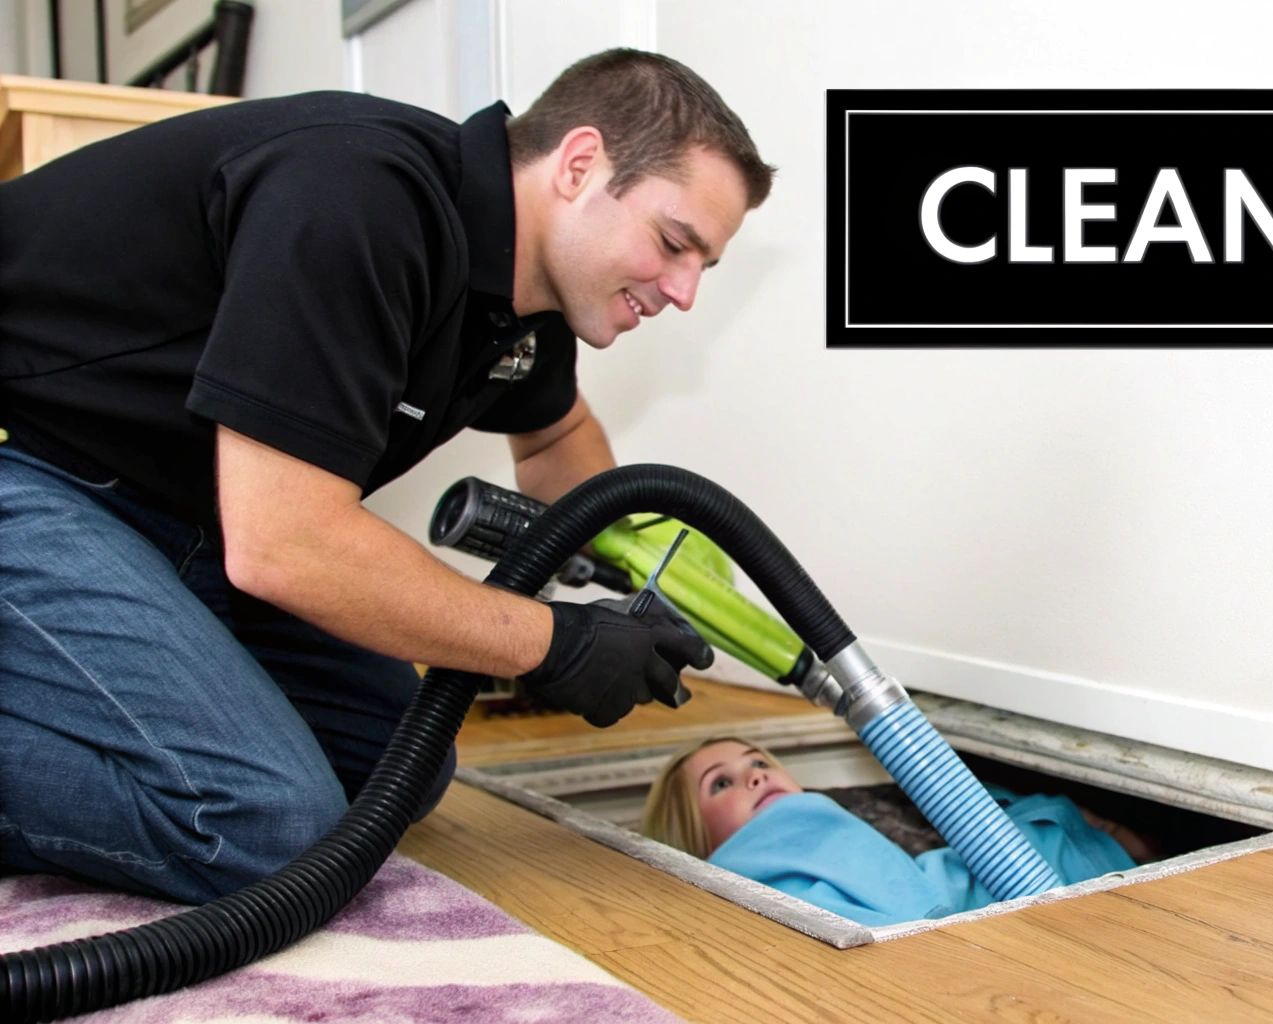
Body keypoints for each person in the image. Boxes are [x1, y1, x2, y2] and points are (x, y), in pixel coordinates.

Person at [0, 49, 773, 904]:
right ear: (580, 164)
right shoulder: (360, 198)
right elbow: (285, 547)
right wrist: (553, 641)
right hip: (28, 469)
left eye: (705, 266)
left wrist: (646, 576)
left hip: (164, 516)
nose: (685, 291)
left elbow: (558, 437)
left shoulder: (527, 297)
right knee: (262, 825)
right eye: (674, 244)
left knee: (396, 766)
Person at [640, 737, 1154, 927]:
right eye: (722, 783)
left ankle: (1107, 835)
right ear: (693, 836)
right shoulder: (732, 883)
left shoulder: (826, 824)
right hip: (938, 923)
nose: (754, 774)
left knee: (1022, 836)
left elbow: (908, 880)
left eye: (759, 762)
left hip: (956, 890)